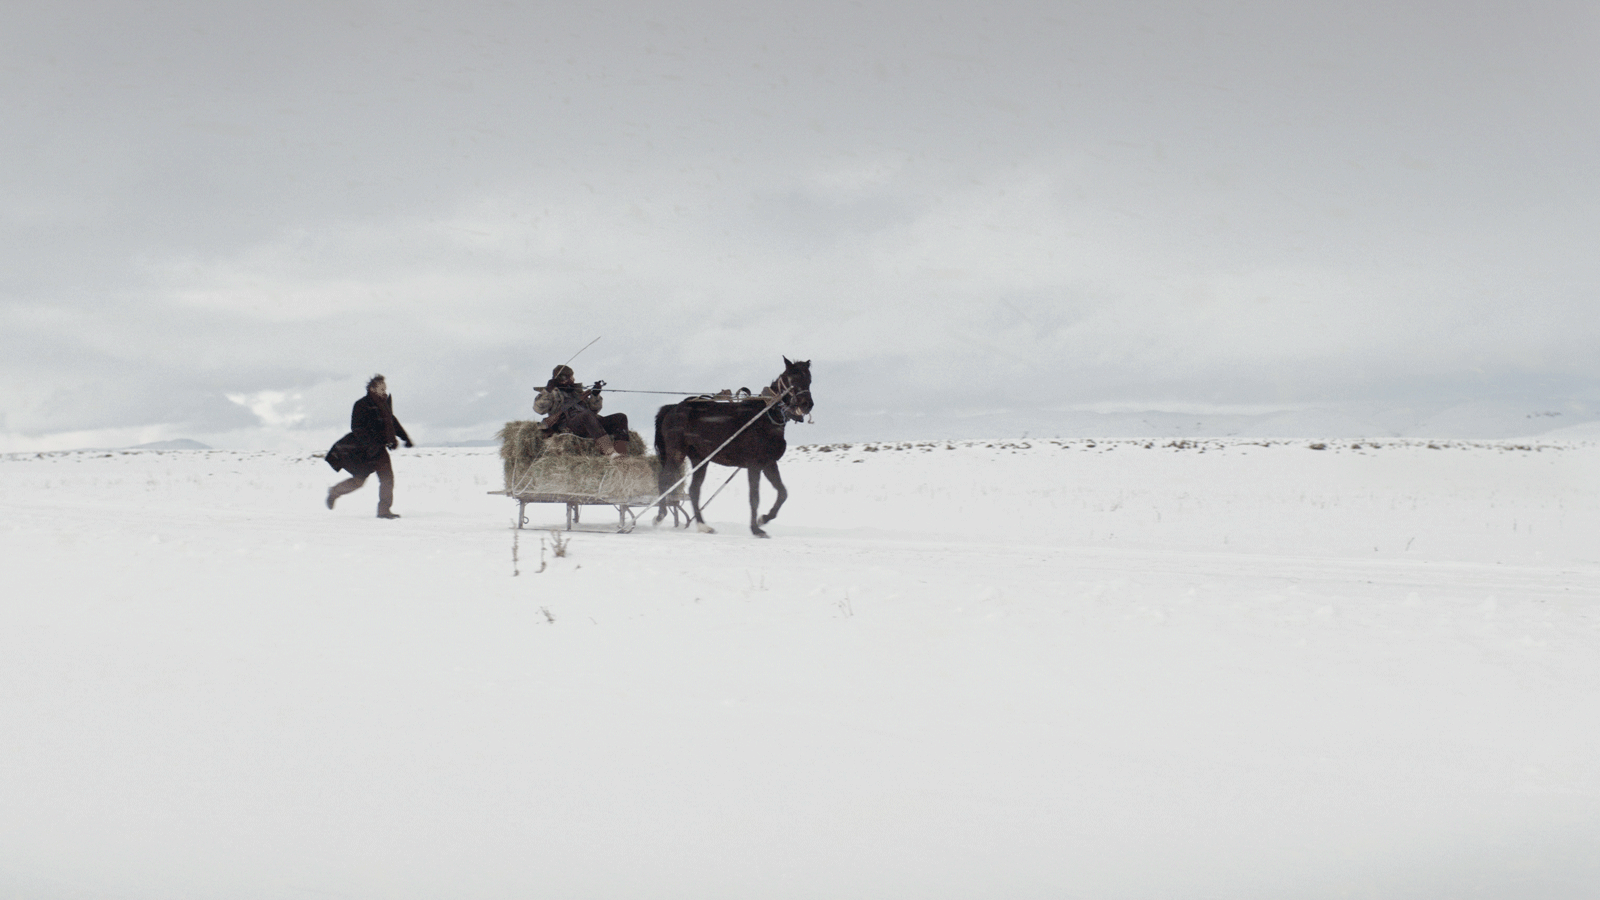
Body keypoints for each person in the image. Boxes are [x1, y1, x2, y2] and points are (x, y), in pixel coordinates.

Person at [324, 374, 413, 518]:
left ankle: (384, 511)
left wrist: (405, 438)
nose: (385, 391)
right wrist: (371, 445)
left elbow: (392, 422)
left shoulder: (384, 405)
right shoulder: (361, 405)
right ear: (372, 388)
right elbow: (357, 428)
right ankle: (334, 492)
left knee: (387, 478)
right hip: (362, 451)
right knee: (359, 481)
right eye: (381, 388)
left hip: (379, 449)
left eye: (385, 388)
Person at [533, 364, 629, 458]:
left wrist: (595, 395)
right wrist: (547, 391)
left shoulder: (577, 392)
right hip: (569, 426)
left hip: (589, 423)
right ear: (564, 379)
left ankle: (621, 454)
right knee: (585, 415)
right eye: (571, 377)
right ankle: (609, 452)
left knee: (620, 417)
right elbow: (538, 409)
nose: (574, 379)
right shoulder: (552, 394)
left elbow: (594, 410)